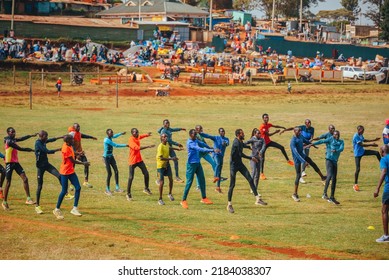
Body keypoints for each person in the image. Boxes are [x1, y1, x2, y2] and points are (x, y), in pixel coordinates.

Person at [227, 129, 267, 214]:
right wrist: (251, 157)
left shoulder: (240, 141)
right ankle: (229, 205)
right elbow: (240, 154)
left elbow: (243, 145)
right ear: (238, 134)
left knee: (250, 179)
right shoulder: (236, 143)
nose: (244, 134)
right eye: (242, 133)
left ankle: (258, 199)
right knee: (232, 185)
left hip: (240, 164)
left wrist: (248, 147)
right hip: (233, 166)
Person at [53, 135, 90, 219]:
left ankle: (74, 208)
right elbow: (72, 160)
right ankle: (57, 209)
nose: (73, 140)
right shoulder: (65, 148)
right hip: (65, 172)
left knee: (78, 187)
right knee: (64, 191)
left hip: (70, 171)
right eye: (72, 139)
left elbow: (72, 153)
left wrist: (78, 153)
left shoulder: (69, 146)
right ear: (68, 141)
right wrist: (84, 163)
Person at [180, 129, 219, 209]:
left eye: (196, 134)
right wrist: (212, 150)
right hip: (191, 165)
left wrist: (210, 147)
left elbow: (202, 143)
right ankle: (183, 200)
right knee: (189, 182)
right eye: (194, 135)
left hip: (197, 163)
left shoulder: (195, 140)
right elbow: (199, 149)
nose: (195, 136)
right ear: (190, 135)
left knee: (202, 180)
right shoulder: (190, 143)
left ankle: (204, 198)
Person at [2, 127, 37, 211]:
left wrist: (31, 135)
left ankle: (28, 199)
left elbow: (21, 138)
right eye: (11, 132)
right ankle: (4, 202)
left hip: (16, 163)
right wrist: (31, 150)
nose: (13, 133)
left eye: (14, 132)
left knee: (25, 179)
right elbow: (20, 149)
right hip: (9, 163)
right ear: (8, 133)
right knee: (8, 183)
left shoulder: (12, 139)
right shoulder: (9, 141)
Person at [290, 127, 327, 202]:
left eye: (300, 131)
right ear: (294, 131)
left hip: (302, 155)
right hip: (297, 159)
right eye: (298, 131)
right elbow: (295, 153)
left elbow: (306, 141)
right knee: (298, 175)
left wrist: (312, 144)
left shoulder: (300, 136)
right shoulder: (293, 141)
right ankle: (295, 194)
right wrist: (303, 161)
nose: (299, 132)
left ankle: (322, 177)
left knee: (312, 163)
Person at [311, 130, 344, 204]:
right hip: (328, 160)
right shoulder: (330, 139)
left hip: (335, 162)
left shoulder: (341, 141)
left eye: (337, 134)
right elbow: (322, 141)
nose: (336, 136)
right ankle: (324, 194)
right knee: (329, 176)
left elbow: (342, 149)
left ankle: (332, 197)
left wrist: (336, 150)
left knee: (334, 179)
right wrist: (312, 144)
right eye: (335, 134)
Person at [34, 130, 63, 214]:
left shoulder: (44, 141)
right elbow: (46, 151)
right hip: (40, 167)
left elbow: (51, 139)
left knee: (59, 176)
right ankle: (37, 206)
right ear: (41, 136)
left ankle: (66, 192)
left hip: (46, 164)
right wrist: (58, 149)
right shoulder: (38, 143)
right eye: (45, 136)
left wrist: (60, 137)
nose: (47, 138)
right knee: (40, 186)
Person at [259, 113, 294, 180]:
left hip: (268, 142)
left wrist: (282, 127)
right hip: (263, 144)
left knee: (282, 147)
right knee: (262, 158)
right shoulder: (262, 127)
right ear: (263, 119)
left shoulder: (268, 124)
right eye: (265, 117)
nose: (267, 118)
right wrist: (275, 132)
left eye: (267, 117)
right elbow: (268, 134)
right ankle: (261, 174)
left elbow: (275, 126)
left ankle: (288, 161)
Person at [126, 128, 155, 201]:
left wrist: (147, 135)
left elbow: (140, 136)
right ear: (132, 133)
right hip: (132, 161)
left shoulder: (137, 136)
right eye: (135, 132)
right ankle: (128, 194)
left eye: (137, 132)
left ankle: (146, 188)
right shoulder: (131, 140)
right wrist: (148, 146)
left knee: (146, 174)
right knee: (131, 177)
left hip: (139, 160)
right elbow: (136, 148)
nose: (137, 133)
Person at [200, 127, 230, 193]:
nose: (222, 132)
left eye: (223, 131)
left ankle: (218, 187)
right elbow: (208, 136)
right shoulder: (216, 138)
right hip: (215, 154)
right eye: (221, 131)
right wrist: (200, 133)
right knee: (218, 164)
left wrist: (225, 143)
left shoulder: (226, 139)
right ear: (219, 132)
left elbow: (227, 143)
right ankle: (215, 176)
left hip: (221, 155)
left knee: (219, 171)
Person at [68, 123, 97, 188]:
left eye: (79, 127)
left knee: (86, 163)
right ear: (74, 127)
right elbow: (71, 145)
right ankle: (71, 184)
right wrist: (76, 153)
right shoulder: (72, 134)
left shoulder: (79, 133)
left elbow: (84, 136)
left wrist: (91, 137)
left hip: (80, 152)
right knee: (72, 168)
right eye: (77, 127)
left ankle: (86, 182)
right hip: (73, 153)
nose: (79, 128)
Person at [352, 125, 381, 192]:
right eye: (362, 130)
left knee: (376, 153)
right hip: (357, 154)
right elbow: (362, 144)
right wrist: (372, 144)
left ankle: (382, 164)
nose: (363, 131)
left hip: (362, 151)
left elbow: (364, 140)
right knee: (358, 169)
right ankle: (355, 184)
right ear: (359, 130)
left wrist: (374, 139)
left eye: (363, 130)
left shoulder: (360, 135)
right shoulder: (356, 136)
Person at [156, 133, 181, 205]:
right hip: (161, 166)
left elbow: (169, 148)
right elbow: (161, 158)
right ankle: (160, 199)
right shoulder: (160, 147)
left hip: (167, 164)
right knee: (161, 182)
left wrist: (177, 149)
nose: (165, 138)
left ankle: (169, 194)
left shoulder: (166, 144)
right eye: (164, 137)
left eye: (166, 136)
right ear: (161, 138)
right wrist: (171, 158)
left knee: (171, 179)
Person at [103, 129, 128, 196]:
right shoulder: (106, 140)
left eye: (112, 132)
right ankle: (107, 189)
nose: (112, 133)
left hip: (111, 157)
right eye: (111, 133)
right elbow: (116, 145)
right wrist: (125, 145)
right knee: (109, 173)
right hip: (106, 158)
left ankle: (117, 188)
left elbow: (115, 136)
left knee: (116, 171)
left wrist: (121, 133)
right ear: (108, 134)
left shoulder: (110, 137)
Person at [374, 145, 389, 242]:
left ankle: (386, 236)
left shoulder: (383, 159)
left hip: (388, 189)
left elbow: (384, 172)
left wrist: (377, 188)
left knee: (384, 210)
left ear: (382, 152)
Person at [245, 128, 266, 194]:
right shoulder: (253, 139)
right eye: (258, 133)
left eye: (260, 133)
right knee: (253, 172)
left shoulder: (262, 139)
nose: (259, 134)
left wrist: (261, 152)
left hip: (259, 158)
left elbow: (264, 146)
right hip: (253, 158)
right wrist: (248, 147)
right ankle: (251, 187)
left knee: (257, 174)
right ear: (255, 134)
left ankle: (255, 189)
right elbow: (245, 143)